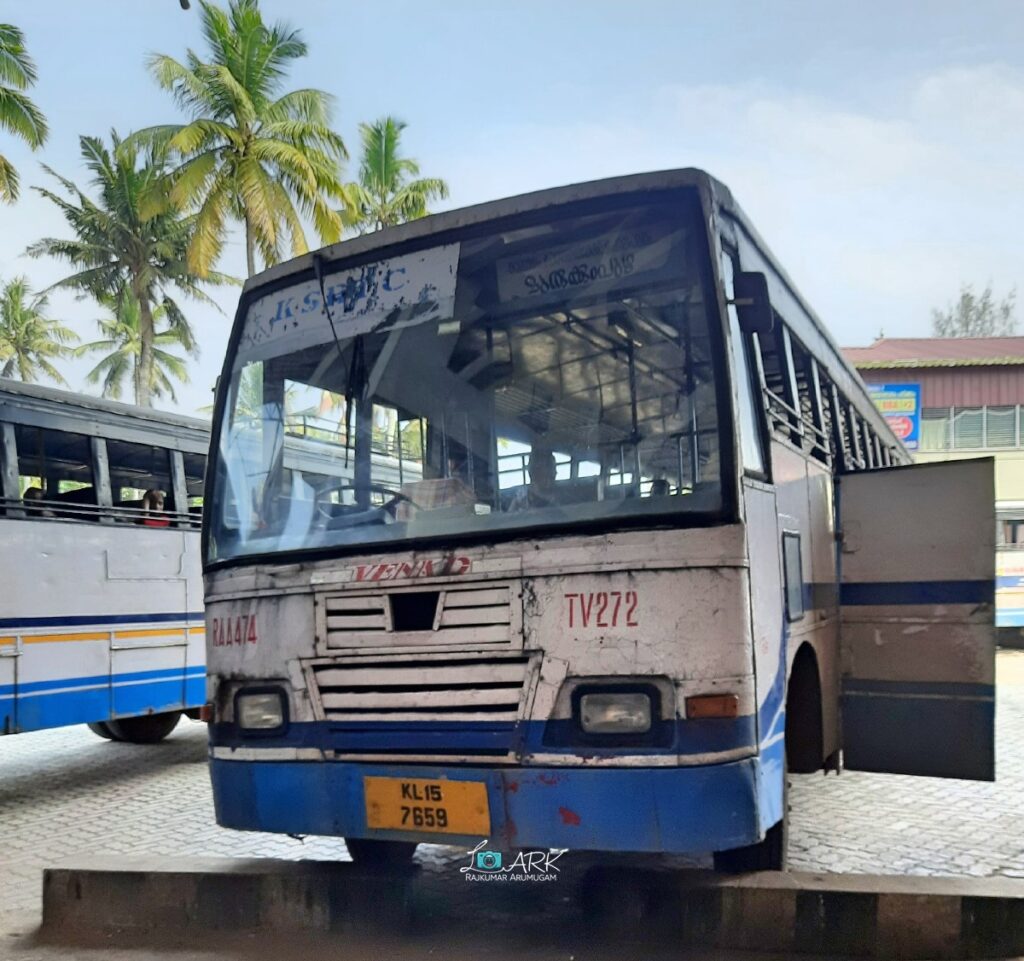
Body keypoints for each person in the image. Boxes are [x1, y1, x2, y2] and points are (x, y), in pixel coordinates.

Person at [510, 445, 559, 511]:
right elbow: (509, 518)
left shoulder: (561, 496)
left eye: (553, 468)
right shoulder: (521, 496)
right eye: (549, 468)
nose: (555, 473)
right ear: (534, 473)